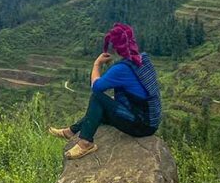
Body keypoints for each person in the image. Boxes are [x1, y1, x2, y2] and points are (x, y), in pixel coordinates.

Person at [48, 22, 162, 159]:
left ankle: (86, 143)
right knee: (102, 107)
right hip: (149, 118)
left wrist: (97, 64)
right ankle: (71, 131)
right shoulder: (143, 58)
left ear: (114, 48)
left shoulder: (121, 69)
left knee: (97, 98)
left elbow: (96, 87)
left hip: (143, 125)